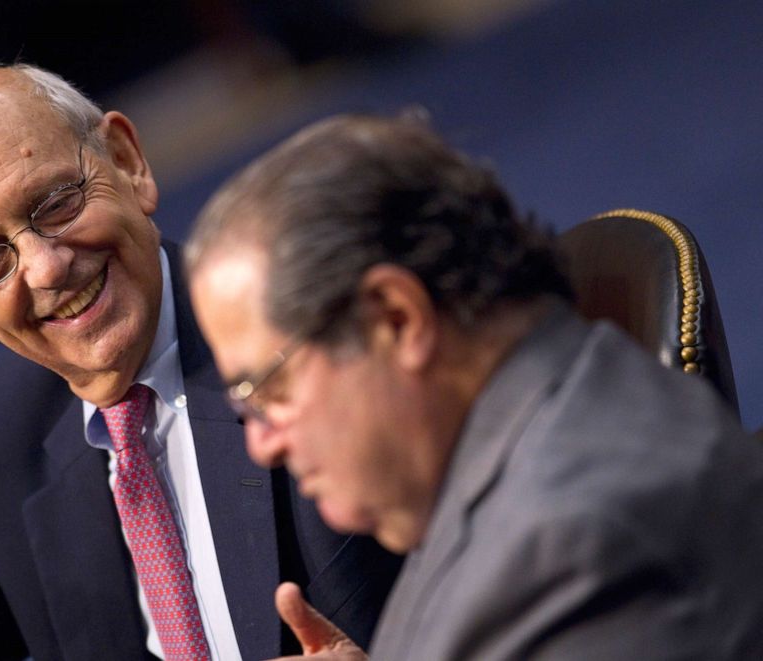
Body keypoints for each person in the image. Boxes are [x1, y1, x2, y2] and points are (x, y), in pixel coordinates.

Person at [0, 66, 402, 660]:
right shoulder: (7, 435)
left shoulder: (309, 328)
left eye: (55, 203)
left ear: (127, 163)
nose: (45, 267)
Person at [184, 112, 763, 659]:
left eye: (269, 388)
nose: (260, 442)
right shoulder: (529, 433)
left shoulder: (569, 552)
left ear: (395, 319)